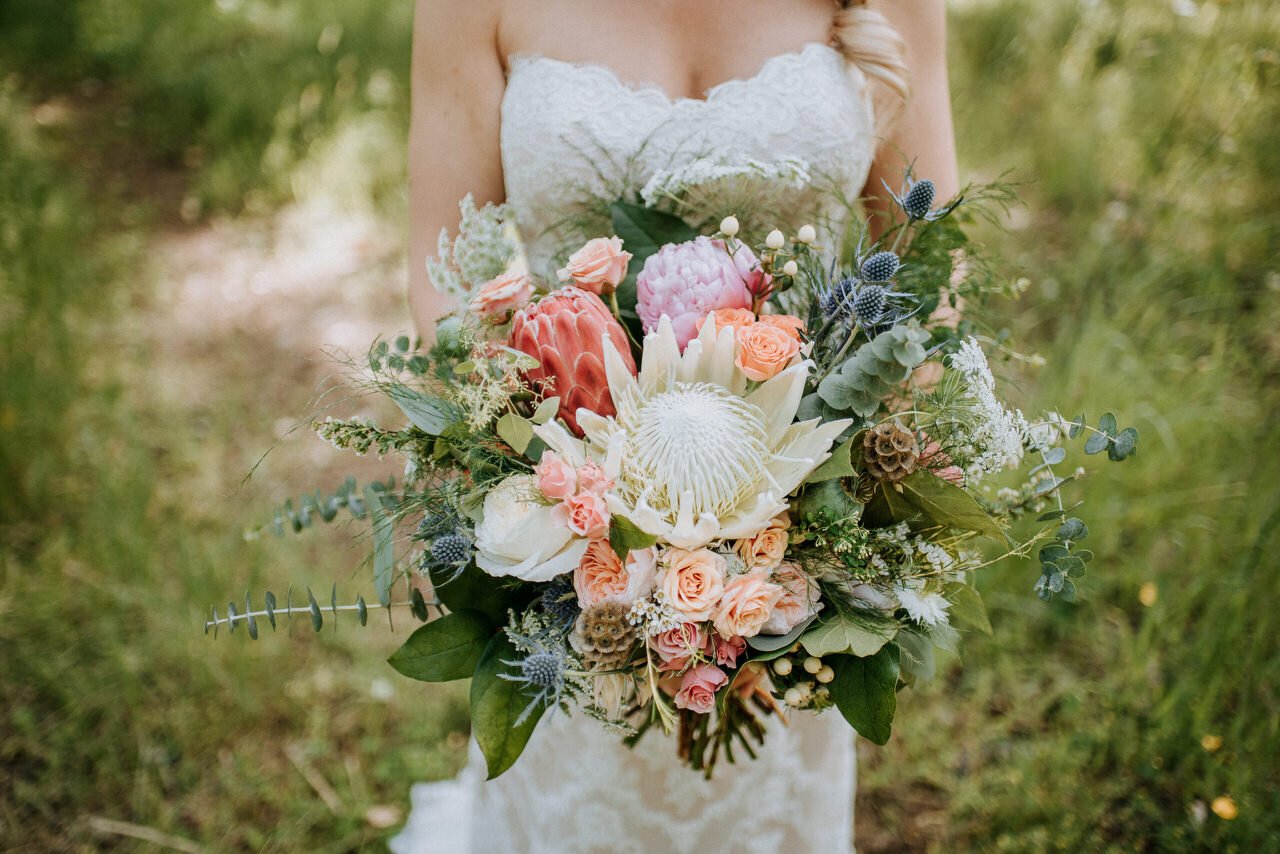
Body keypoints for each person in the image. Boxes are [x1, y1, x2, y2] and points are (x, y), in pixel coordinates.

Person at [395, 2, 958, 850]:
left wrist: (847, 532)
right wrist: (508, 473)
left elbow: (923, 269)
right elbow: (442, 276)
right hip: (573, 530)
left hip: (800, 521)